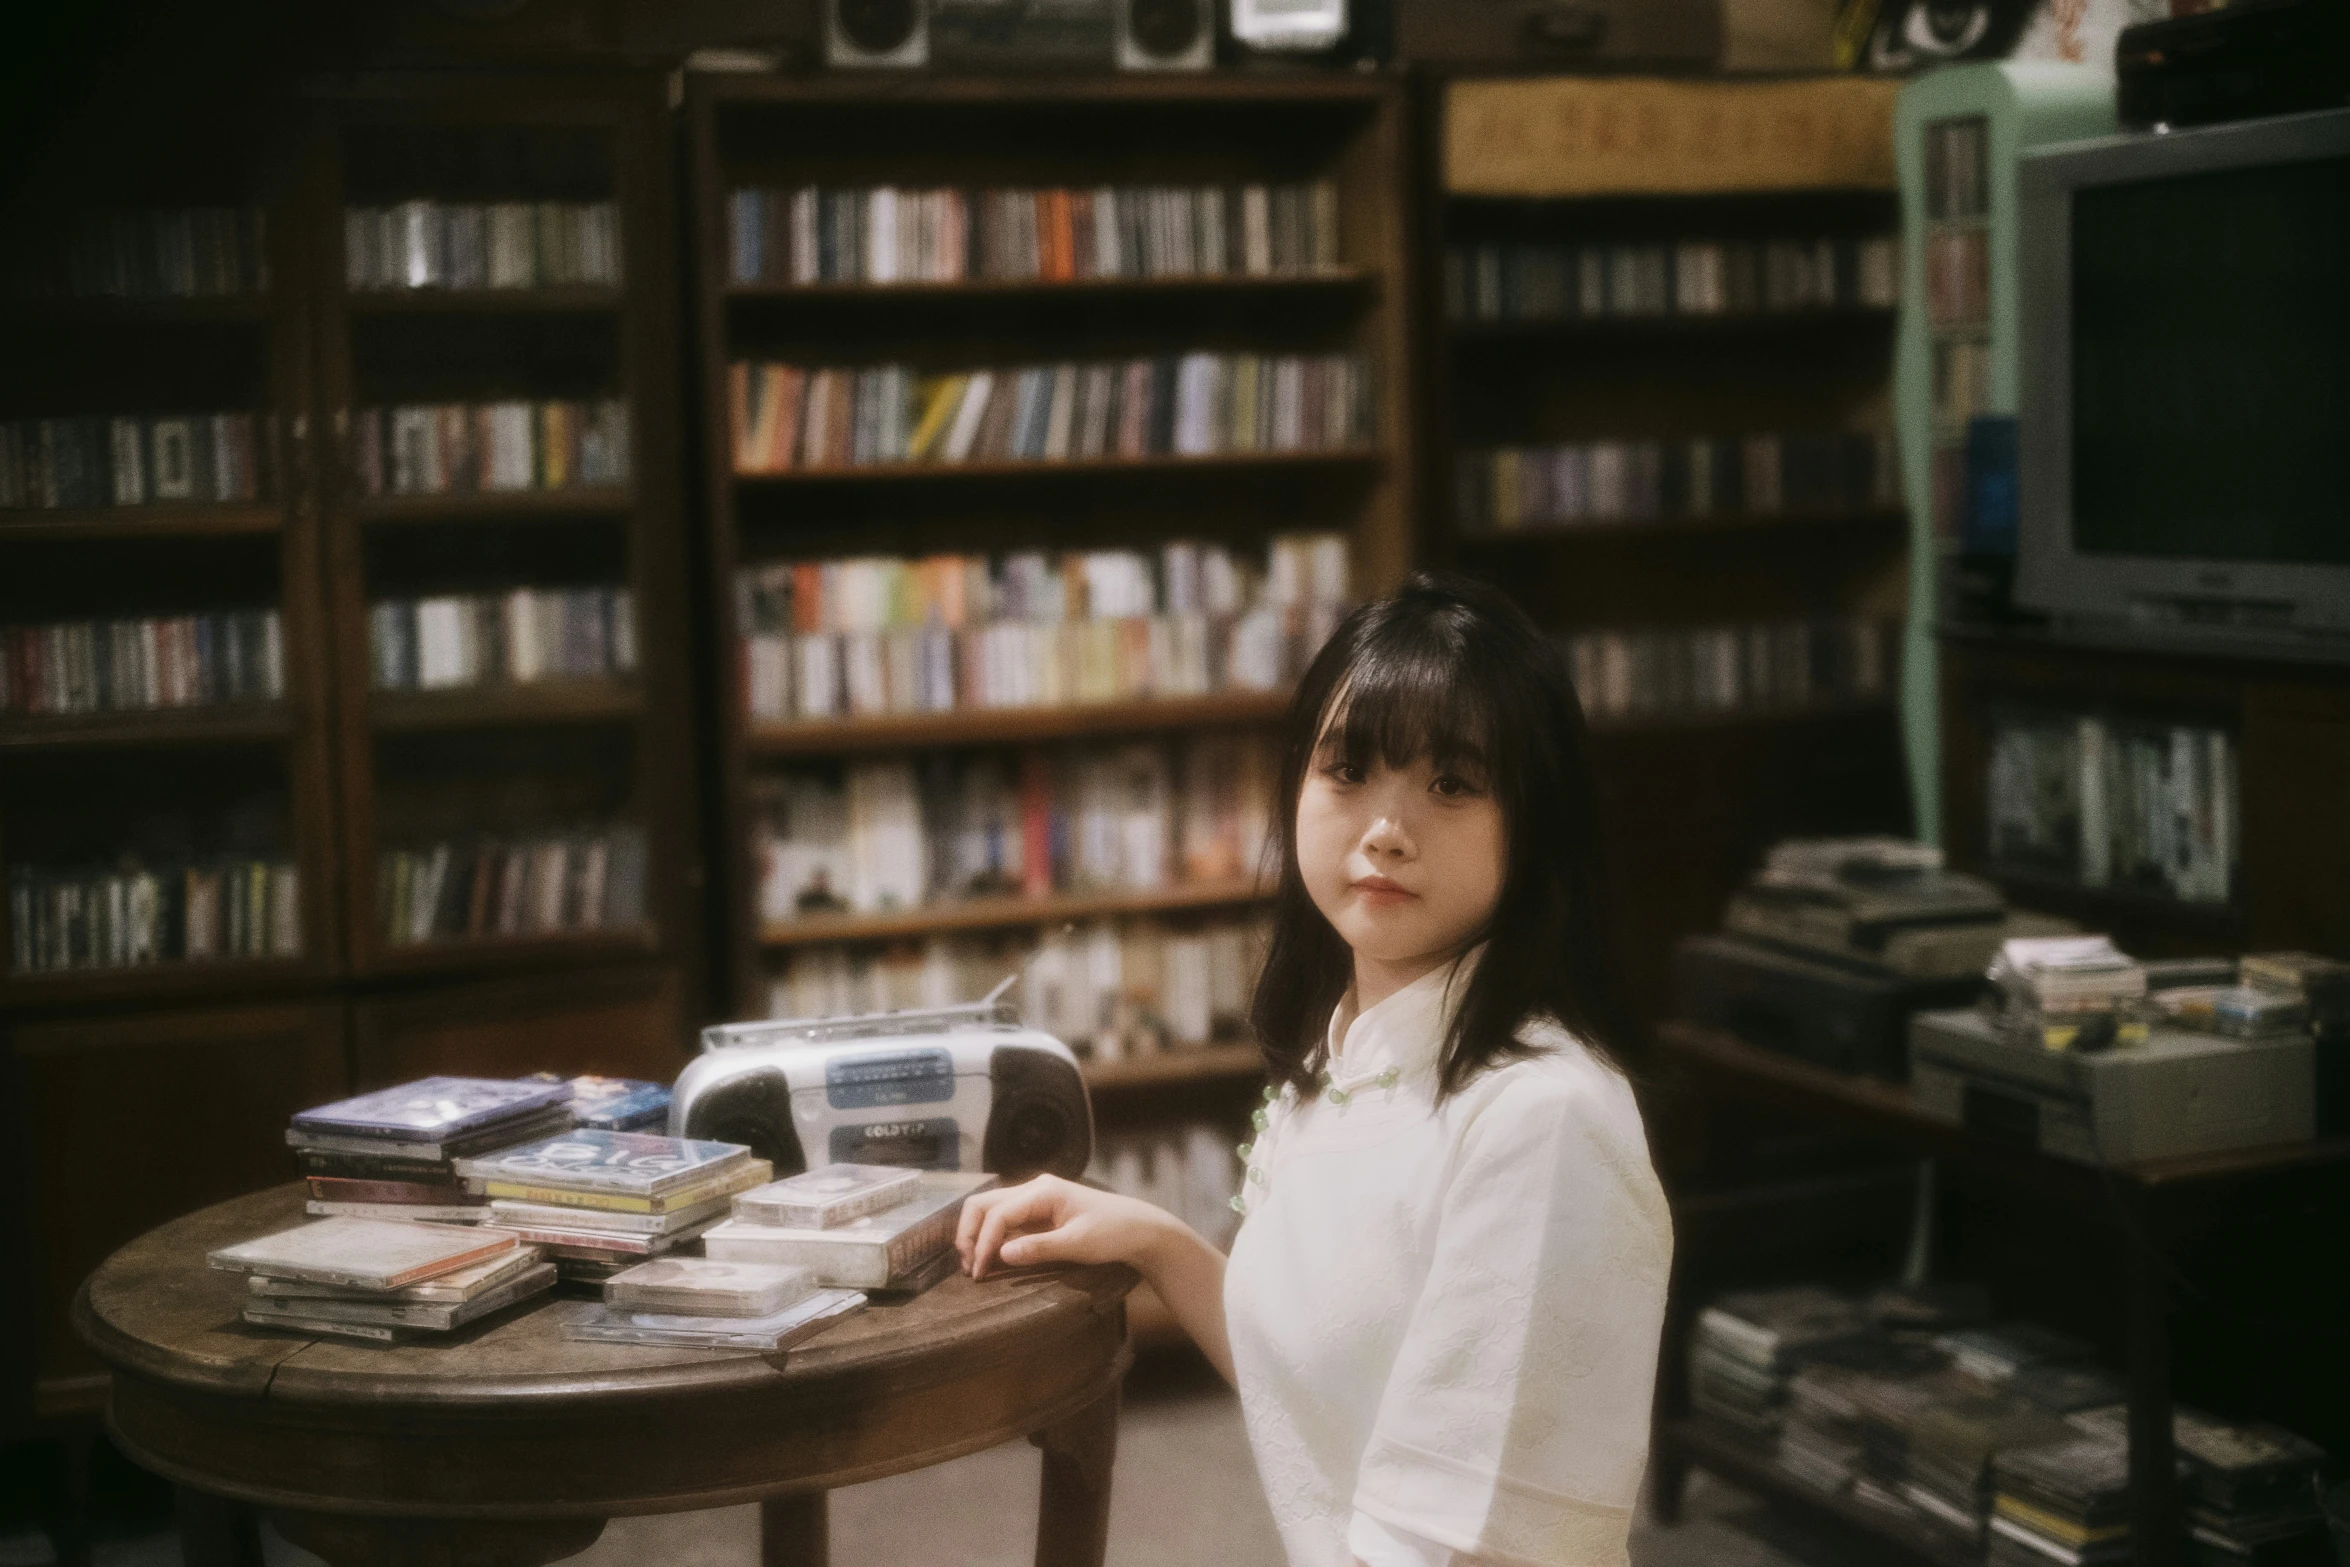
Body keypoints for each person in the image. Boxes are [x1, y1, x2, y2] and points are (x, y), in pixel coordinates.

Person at [957, 572, 1673, 1567]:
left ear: (1533, 821)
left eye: (1453, 783)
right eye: (1347, 770)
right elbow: (1329, 1388)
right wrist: (1165, 1245)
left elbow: (1460, 1540)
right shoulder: (1350, 1054)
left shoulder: (1544, 1117)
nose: (1385, 825)